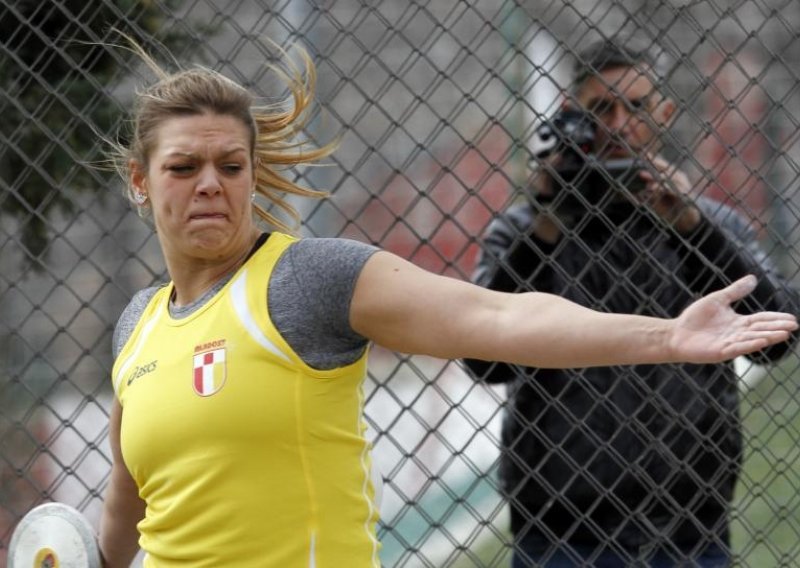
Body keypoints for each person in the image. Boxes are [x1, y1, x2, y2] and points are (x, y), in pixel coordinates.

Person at [97, 38, 798, 568]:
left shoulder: (309, 278)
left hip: (685, 522)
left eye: (231, 166)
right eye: (183, 167)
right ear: (139, 180)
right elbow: (131, 494)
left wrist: (665, 336)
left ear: (254, 175)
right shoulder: (138, 324)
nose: (210, 184)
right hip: (560, 524)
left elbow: (496, 317)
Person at [463, 38, 800, 567]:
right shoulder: (526, 227)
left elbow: (774, 339)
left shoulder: (710, 221)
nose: (619, 125)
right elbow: (485, 361)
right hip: (560, 530)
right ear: (572, 117)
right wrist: (547, 224)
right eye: (601, 109)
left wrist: (692, 228)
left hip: (690, 528)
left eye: (637, 107)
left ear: (664, 114)